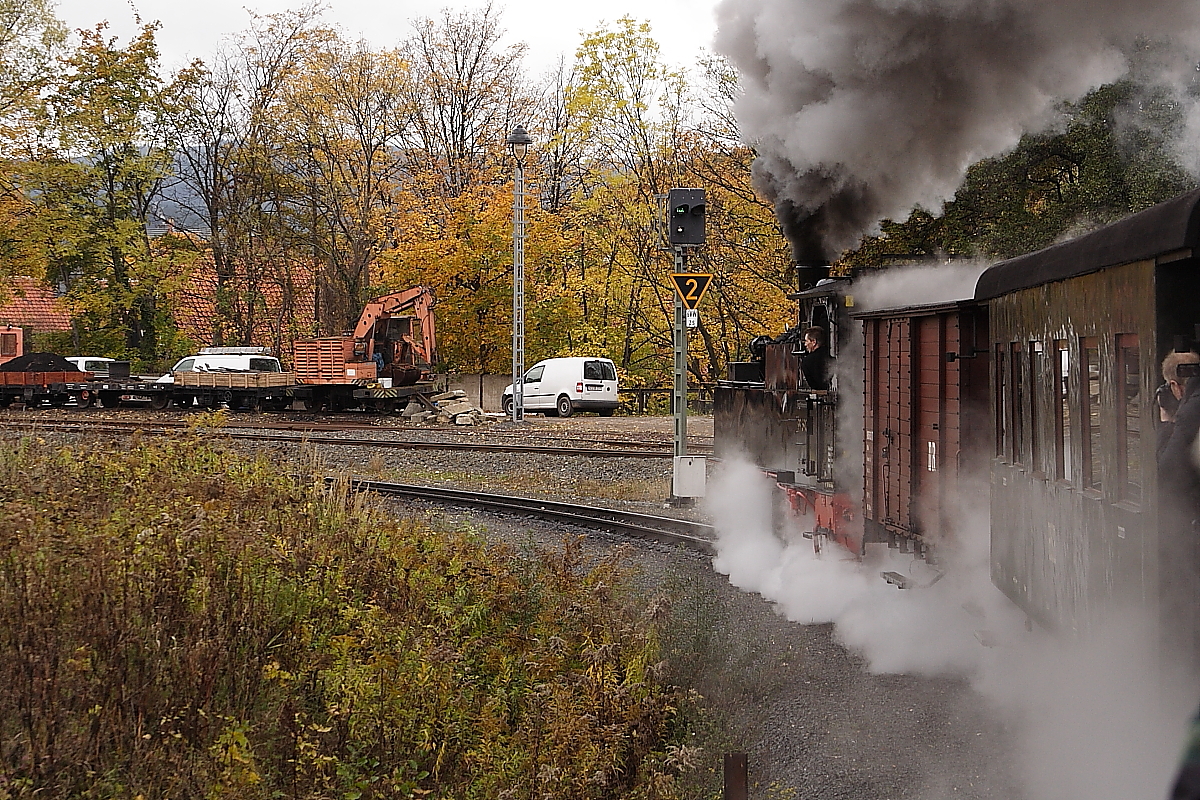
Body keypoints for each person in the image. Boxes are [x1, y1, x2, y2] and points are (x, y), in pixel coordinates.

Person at [799, 325, 834, 390]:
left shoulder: (807, 361)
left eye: (806, 341)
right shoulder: (832, 359)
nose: (805, 344)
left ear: (814, 342)